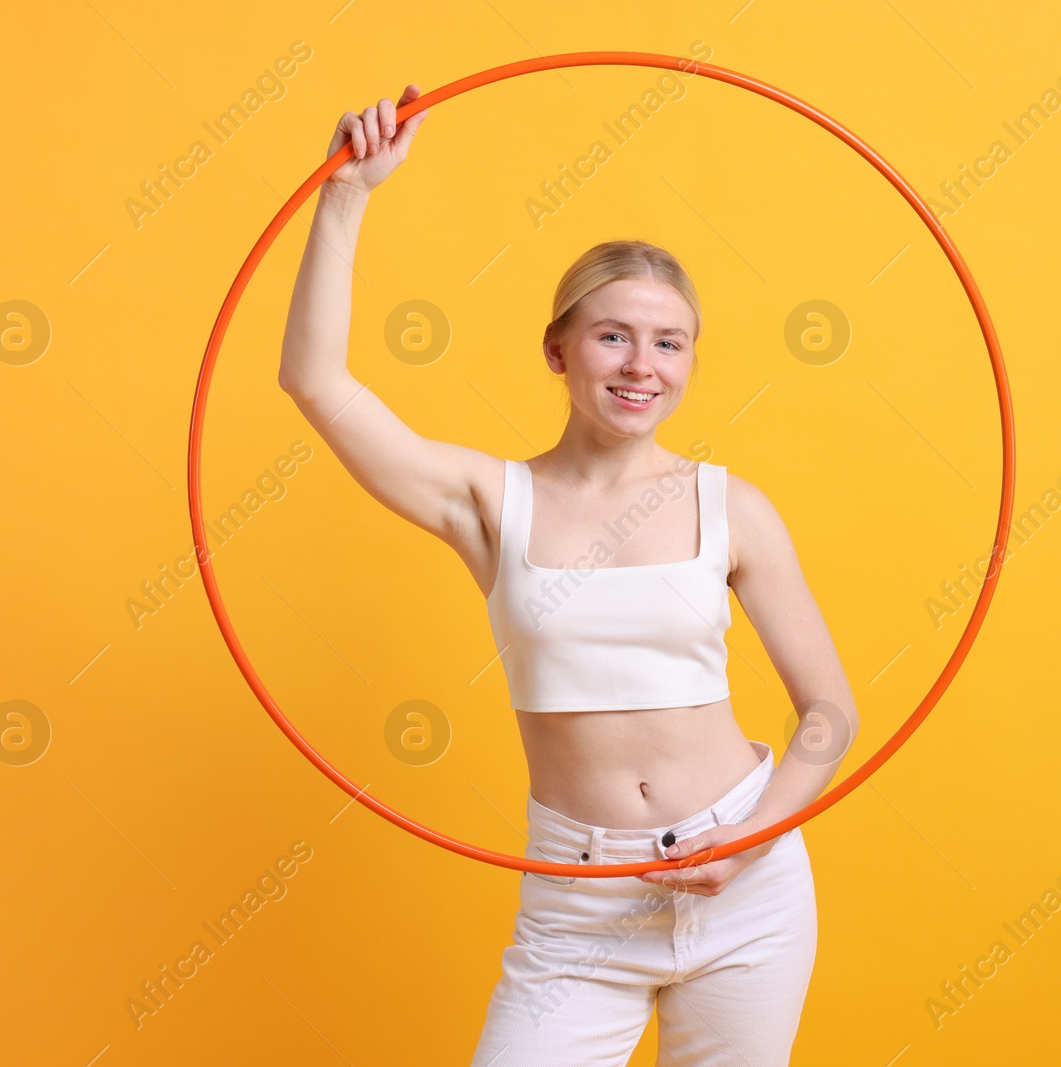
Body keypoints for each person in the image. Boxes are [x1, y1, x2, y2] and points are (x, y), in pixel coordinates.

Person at [277, 88, 861, 1067]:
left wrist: (747, 842)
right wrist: (346, 196)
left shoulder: (733, 507)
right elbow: (317, 383)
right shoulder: (486, 501)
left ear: (689, 362)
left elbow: (828, 712)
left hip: (746, 887)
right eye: (613, 335)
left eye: (668, 342)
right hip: (580, 905)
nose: (643, 365)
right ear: (558, 349)